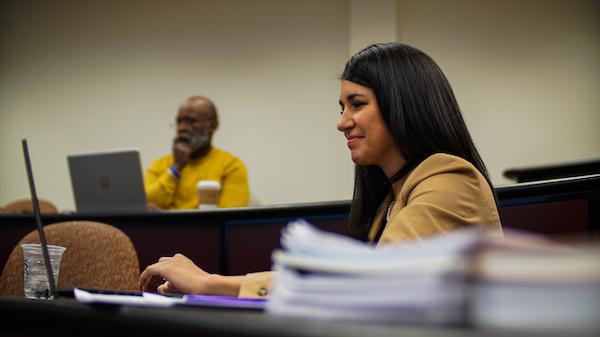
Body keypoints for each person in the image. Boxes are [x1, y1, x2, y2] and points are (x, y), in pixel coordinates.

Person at [139, 43, 502, 298]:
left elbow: (366, 284)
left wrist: (210, 284)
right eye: (341, 107)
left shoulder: (450, 178)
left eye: (356, 104)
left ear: (402, 104)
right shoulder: (387, 203)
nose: (342, 123)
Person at [145, 96, 250, 210]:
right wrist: (176, 168)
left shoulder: (231, 166)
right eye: (179, 122)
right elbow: (144, 207)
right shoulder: (158, 166)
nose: (182, 128)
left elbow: (228, 219)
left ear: (213, 126)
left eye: (191, 121)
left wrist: (166, 218)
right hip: (161, 228)